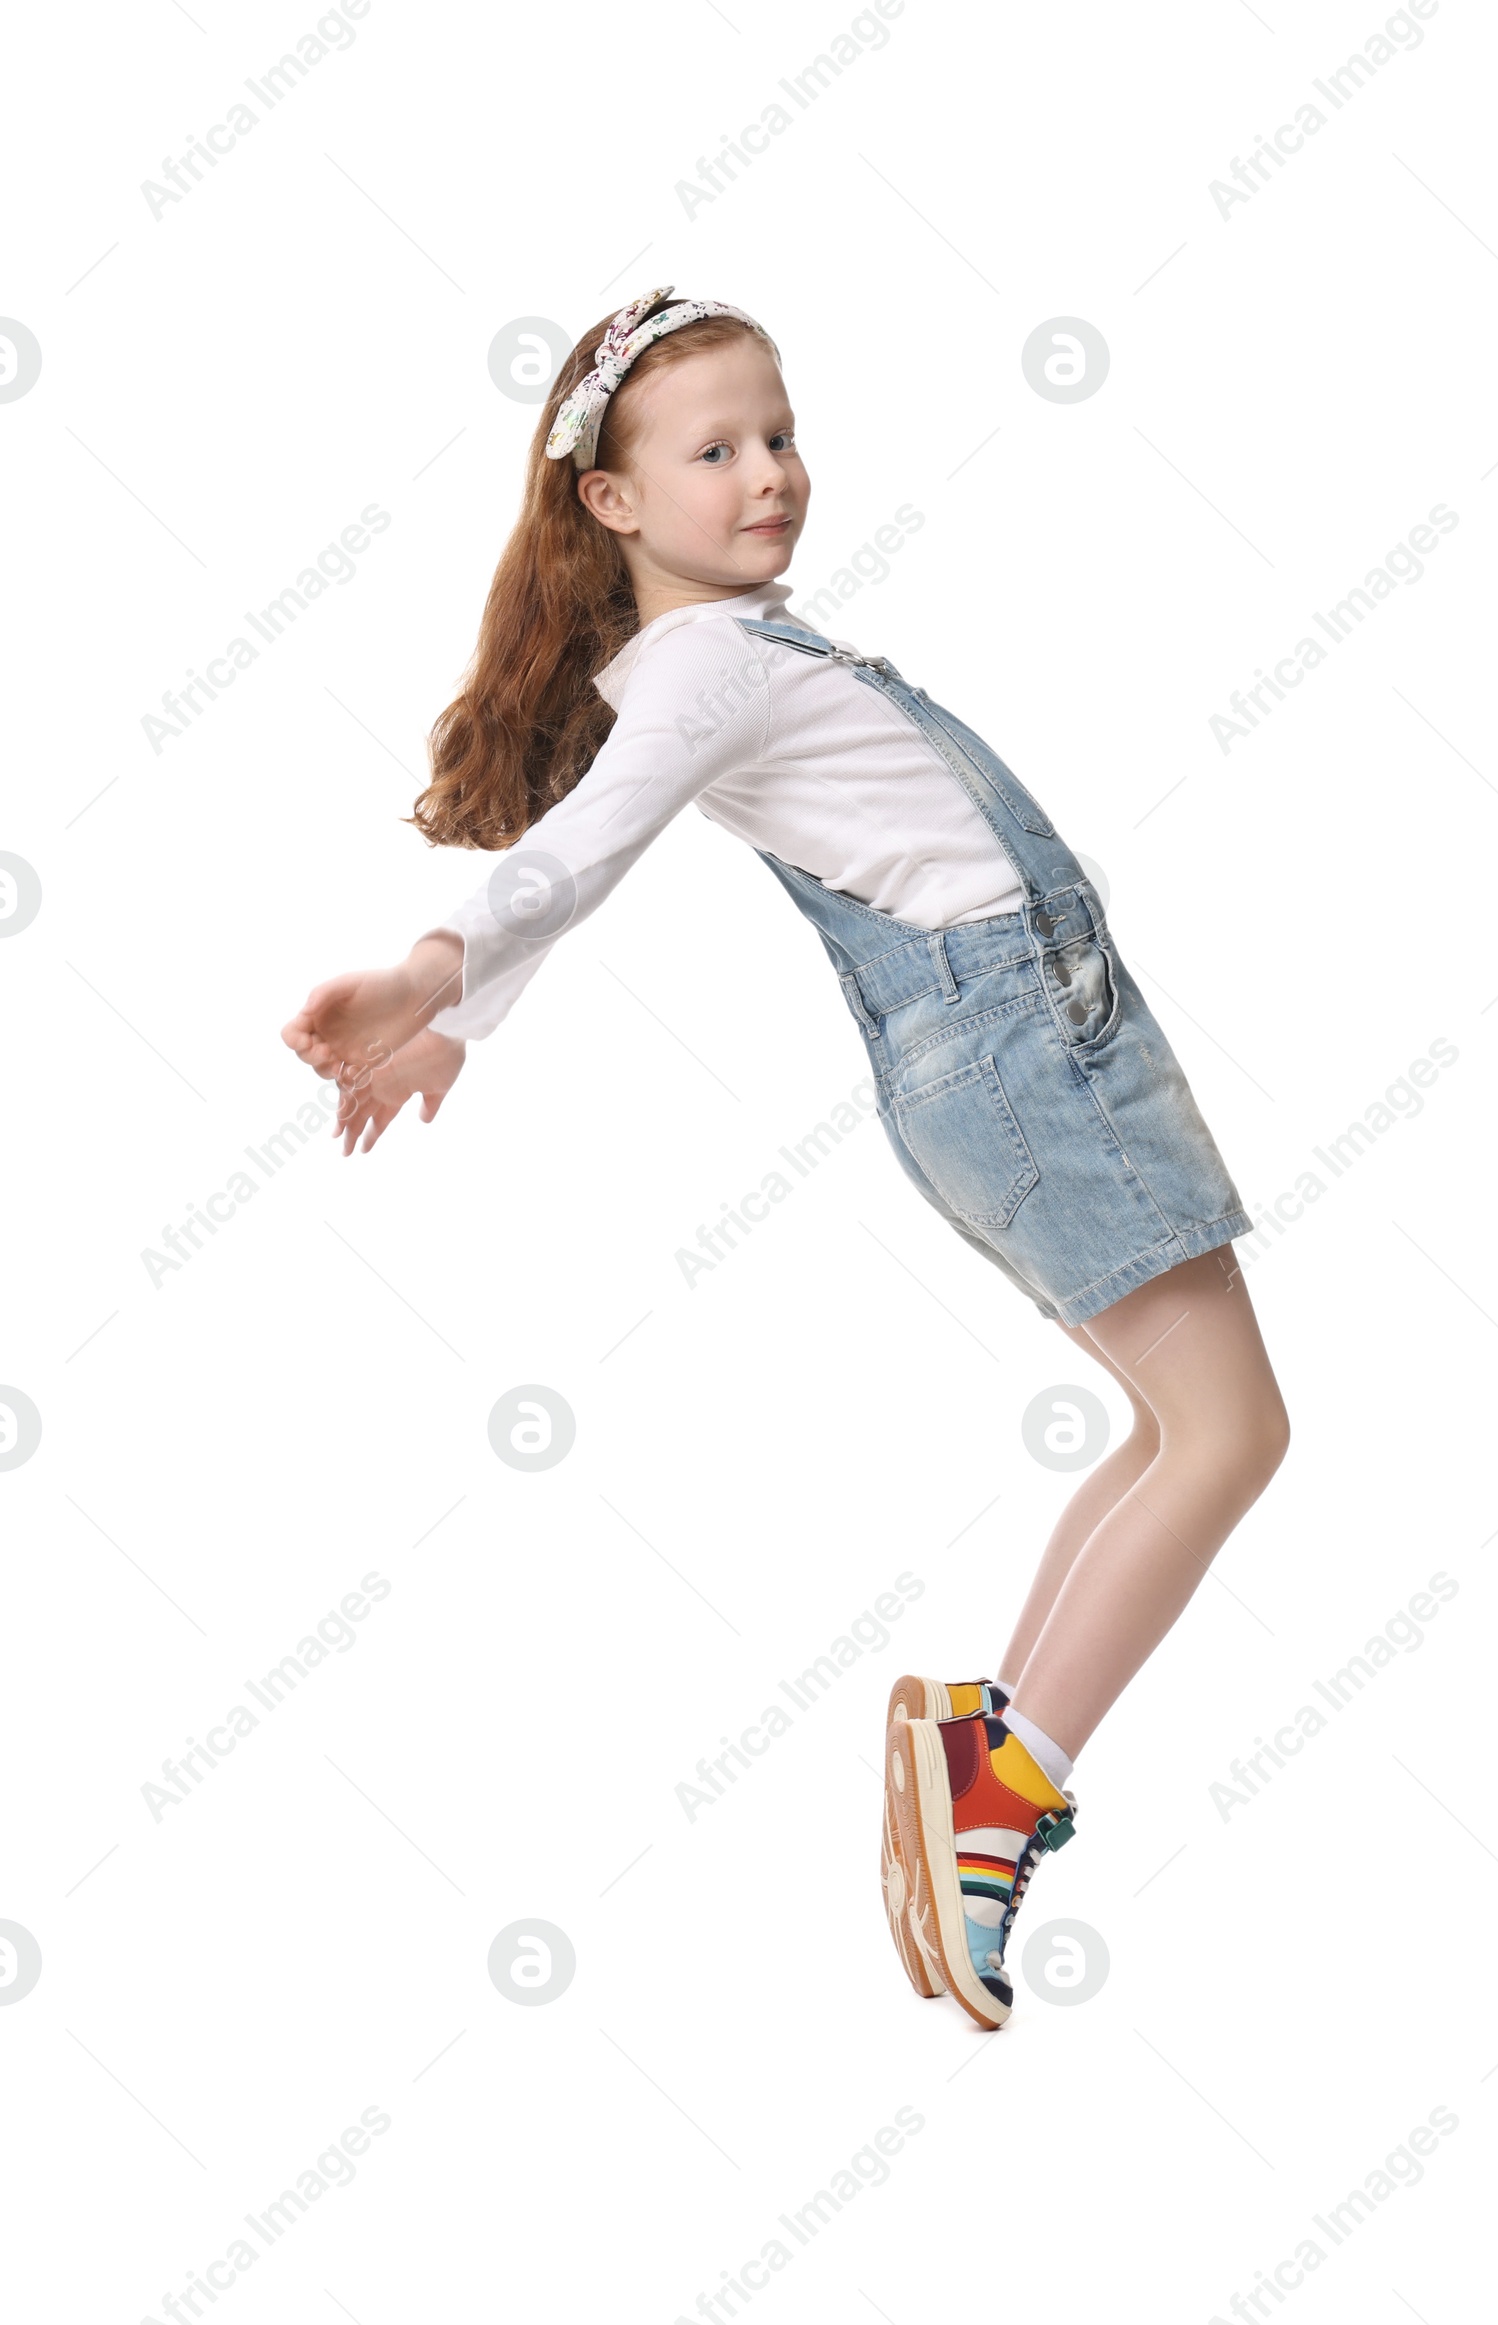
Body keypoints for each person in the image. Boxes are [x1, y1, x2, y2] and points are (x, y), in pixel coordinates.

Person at [281, 286, 1291, 2034]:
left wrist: (464, 1016)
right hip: (1026, 1048)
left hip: (1011, 1043)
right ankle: (998, 1792)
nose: (770, 474)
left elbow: (607, 836)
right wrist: (437, 973)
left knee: (1165, 1422)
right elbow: (589, 844)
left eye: (779, 435)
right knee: (1229, 1431)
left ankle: (989, 1745)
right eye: (717, 449)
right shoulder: (706, 669)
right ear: (612, 501)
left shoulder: (726, 655)